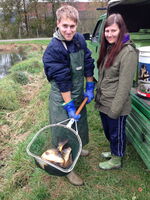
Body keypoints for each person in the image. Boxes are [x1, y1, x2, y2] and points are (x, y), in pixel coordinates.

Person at [43, 5, 95, 185]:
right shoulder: (54, 49)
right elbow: (62, 80)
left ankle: (78, 149)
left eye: (72, 26)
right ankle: (66, 168)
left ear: (77, 26)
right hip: (62, 99)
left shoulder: (79, 39)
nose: (69, 30)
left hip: (79, 92)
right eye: (65, 26)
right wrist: (69, 106)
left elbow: (87, 61)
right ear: (58, 24)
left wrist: (90, 84)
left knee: (80, 126)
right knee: (63, 133)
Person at [95, 13, 138, 170]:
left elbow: (125, 86)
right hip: (104, 101)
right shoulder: (109, 48)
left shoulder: (128, 53)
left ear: (121, 30)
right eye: (107, 31)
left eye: (113, 30)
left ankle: (116, 159)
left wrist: (115, 109)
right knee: (109, 132)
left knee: (116, 134)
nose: (109, 34)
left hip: (116, 104)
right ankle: (113, 151)